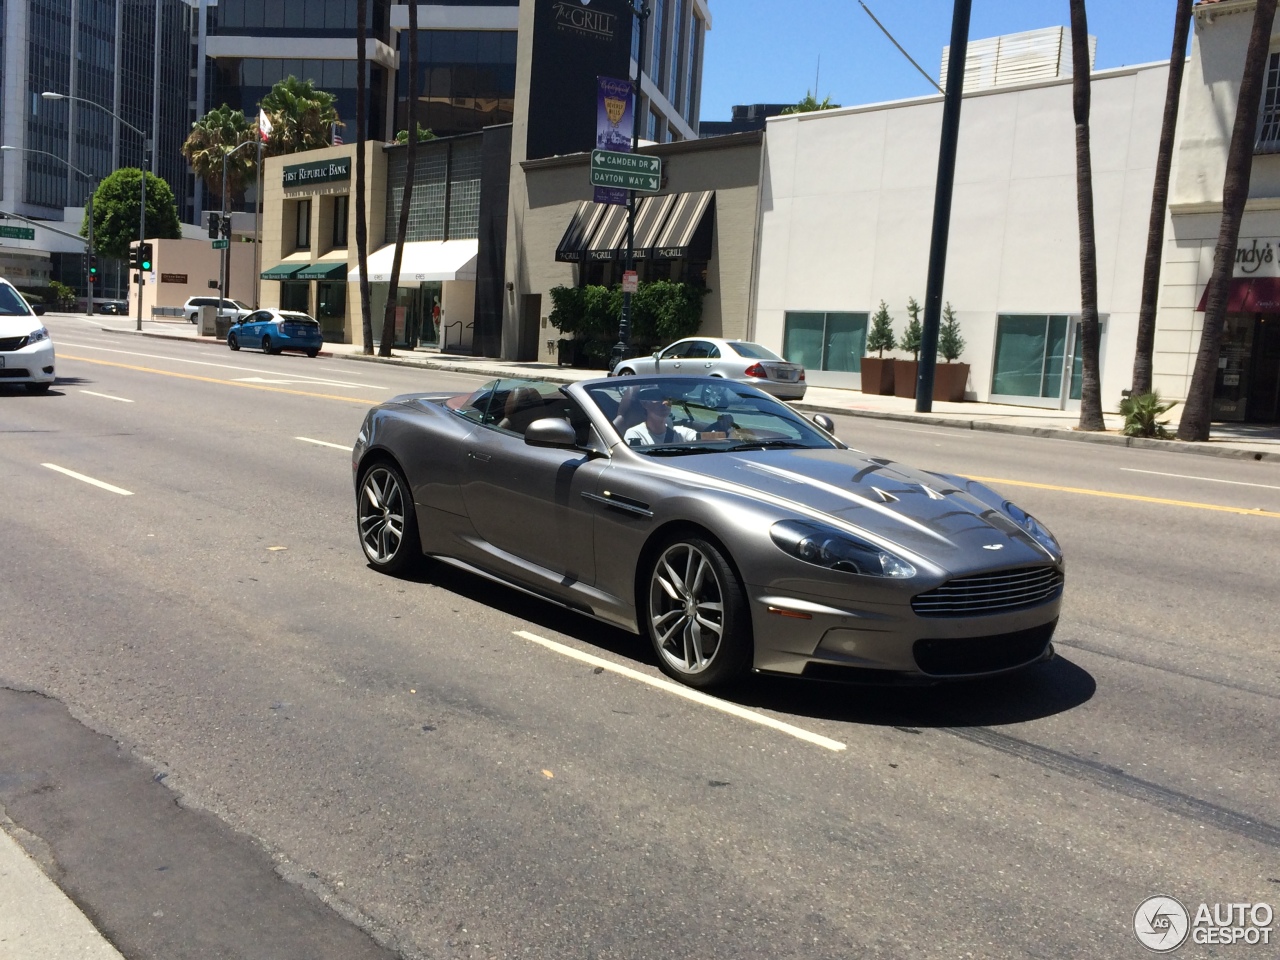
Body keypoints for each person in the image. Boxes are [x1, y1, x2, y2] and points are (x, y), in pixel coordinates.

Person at [623, 388, 732, 446]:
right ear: (644, 404)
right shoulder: (635, 434)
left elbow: (702, 437)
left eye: (669, 399)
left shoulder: (679, 433)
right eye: (658, 398)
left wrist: (730, 433)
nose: (665, 402)